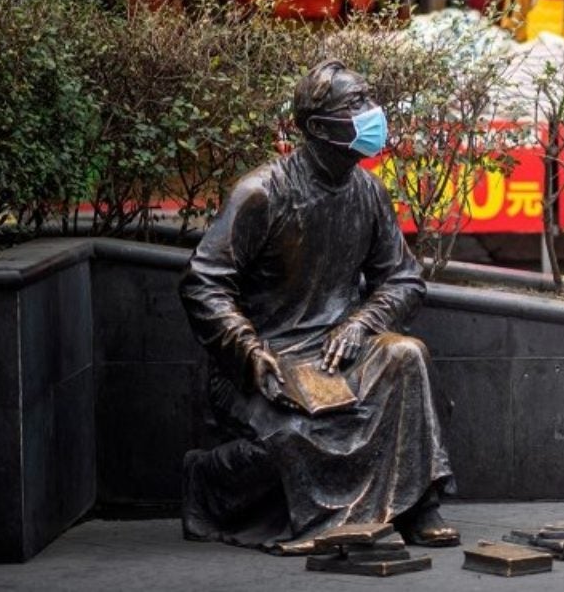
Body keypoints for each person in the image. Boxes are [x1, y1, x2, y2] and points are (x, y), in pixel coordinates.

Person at [178, 60, 459, 553]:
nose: (373, 114)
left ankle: (418, 505)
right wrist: (248, 352)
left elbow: (403, 278)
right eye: (356, 105)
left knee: (405, 354)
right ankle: (209, 480)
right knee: (294, 438)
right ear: (316, 127)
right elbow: (204, 284)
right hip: (269, 357)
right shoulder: (262, 193)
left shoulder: (368, 191)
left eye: (369, 100)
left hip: (338, 350)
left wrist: (362, 322)